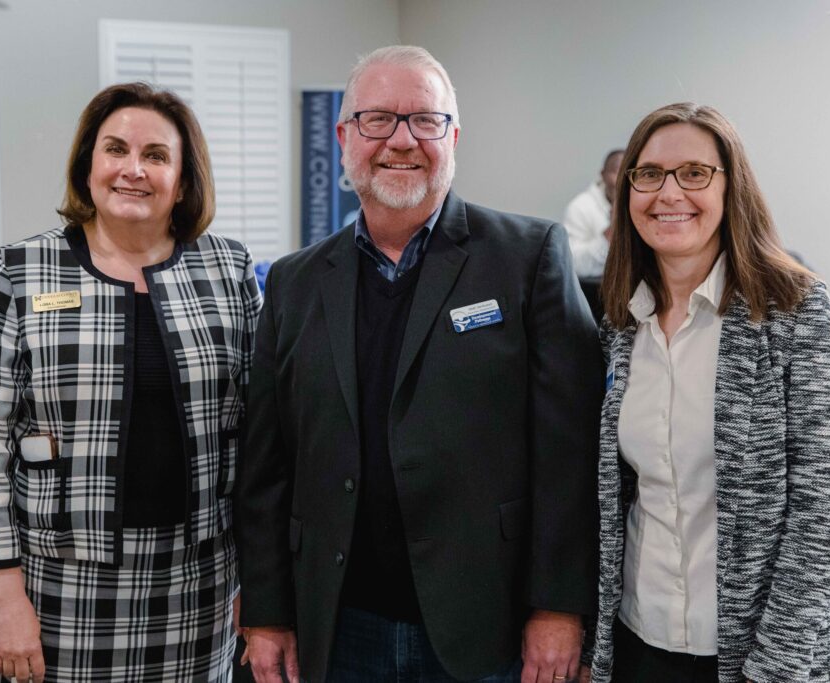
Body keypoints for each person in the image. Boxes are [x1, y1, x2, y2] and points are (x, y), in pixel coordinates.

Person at [236, 45, 603, 683]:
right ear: (343, 136)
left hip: (486, 627)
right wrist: (266, 613)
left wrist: (559, 606)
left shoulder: (528, 258)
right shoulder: (294, 283)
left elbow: (569, 454)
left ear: (454, 136)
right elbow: (266, 466)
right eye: (378, 119)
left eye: (425, 121)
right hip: (338, 622)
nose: (401, 140)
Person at [0, 82, 261, 682]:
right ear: (88, 164)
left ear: (184, 178)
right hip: (62, 583)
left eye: (156, 155)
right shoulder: (22, 270)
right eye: (115, 149)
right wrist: (4, 600)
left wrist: (264, 583)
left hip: (199, 583)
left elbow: (261, 433)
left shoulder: (229, 268)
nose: (133, 170)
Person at [590, 102, 830, 682]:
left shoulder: (793, 309)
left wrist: (775, 669)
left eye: (694, 172)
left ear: (732, 187)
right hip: (639, 640)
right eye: (649, 174)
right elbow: (620, 495)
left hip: (754, 652)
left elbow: (821, 511)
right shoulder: (619, 320)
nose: (668, 193)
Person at [563, 149, 623, 278]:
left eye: (628, 172)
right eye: (617, 171)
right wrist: (612, 230)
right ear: (603, 174)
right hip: (594, 292)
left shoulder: (645, 204)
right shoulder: (580, 207)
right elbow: (574, 264)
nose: (622, 180)